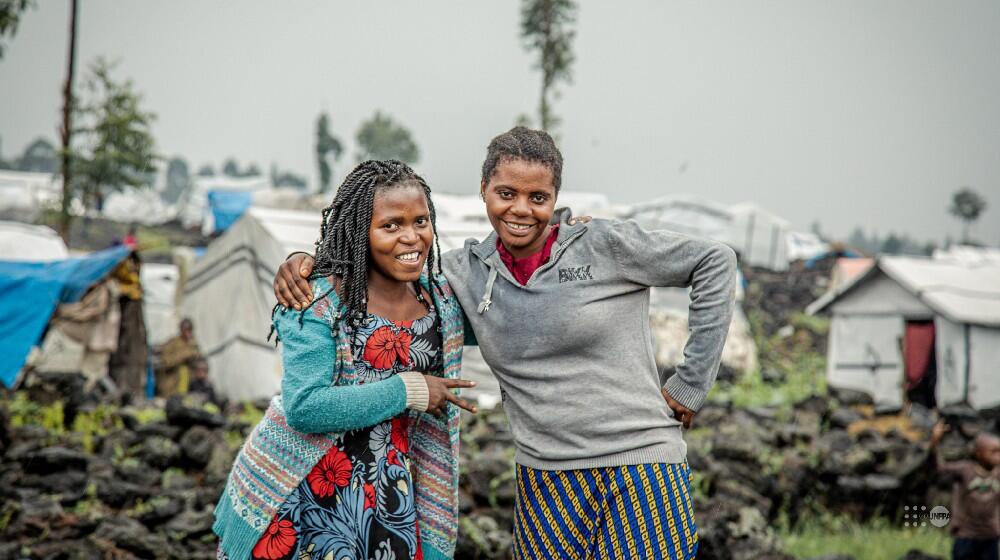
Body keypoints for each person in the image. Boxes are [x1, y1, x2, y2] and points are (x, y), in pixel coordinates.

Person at [275, 127, 737, 559]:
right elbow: (387, 264)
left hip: (641, 466)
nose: (521, 209)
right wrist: (306, 261)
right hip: (545, 478)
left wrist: (690, 383)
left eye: (538, 197)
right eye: (506, 194)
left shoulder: (604, 244)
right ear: (484, 190)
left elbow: (715, 262)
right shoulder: (464, 274)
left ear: (556, 198)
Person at [214, 160, 478, 560]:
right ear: (359, 232)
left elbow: (510, 305)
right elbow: (305, 406)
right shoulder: (316, 301)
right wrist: (409, 390)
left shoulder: (440, 300)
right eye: (391, 226)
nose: (412, 238)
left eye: (421, 221)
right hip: (305, 496)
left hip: (392, 499)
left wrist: (568, 236)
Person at [929, 420, 1000, 560]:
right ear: (979, 453)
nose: (998, 457)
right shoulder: (965, 470)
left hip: (990, 536)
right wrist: (935, 440)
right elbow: (939, 467)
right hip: (966, 536)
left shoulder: (998, 473)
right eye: (994, 452)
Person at [157, 318, 201, 397]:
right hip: (173, 386)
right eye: (186, 329)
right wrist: (184, 355)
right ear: (181, 329)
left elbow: (199, 362)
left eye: (190, 329)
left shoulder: (193, 344)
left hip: (189, 386)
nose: (188, 332)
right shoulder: (172, 343)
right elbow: (166, 362)